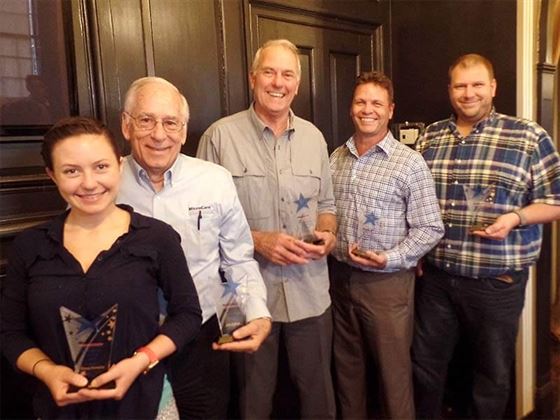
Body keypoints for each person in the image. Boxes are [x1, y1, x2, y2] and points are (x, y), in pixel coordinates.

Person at [0, 117, 202, 419]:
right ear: (52, 175)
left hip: (147, 404)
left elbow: (187, 315)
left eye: (101, 167)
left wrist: (142, 360)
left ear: (120, 166)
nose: (89, 183)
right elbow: (10, 333)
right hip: (60, 409)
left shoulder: (157, 238)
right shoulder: (30, 247)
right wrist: (47, 372)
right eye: (71, 171)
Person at [413, 53, 560, 418]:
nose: (468, 93)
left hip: (497, 283)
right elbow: (412, 201)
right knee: (424, 367)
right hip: (436, 279)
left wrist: (515, 217)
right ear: (450, 90)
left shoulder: (528, 137)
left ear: (493, 87)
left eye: (477, 84)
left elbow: (556, 202)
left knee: (491, 375)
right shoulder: (430, 137)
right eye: (460, 85)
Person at [116, 76, 272, 419]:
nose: (160, 134)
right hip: (128, 343)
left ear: (184, 131)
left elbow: (238, 259)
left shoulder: (214, 180)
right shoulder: (103, 183)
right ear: (126, 125)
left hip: (200, 338)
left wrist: (258, 312)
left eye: (171, 122)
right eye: (146, 120)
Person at [197, 38, 337, 419]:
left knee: (318, 400)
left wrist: (328, 233)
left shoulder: (315, 138)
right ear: (253, 77)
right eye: (270, 72)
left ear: (298, 83)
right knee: (251, 403)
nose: (278, 82)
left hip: (311, 292)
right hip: (244, 299)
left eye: (287, 74)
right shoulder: (219, 137)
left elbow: (327, 206)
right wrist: (257, 241)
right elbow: (200, 222)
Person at [328, 71, 444, 419]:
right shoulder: (336, 158)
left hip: (388, 286)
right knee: (347, 371)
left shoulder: (409, 163)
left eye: (377, 103)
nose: (368, 109)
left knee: (394, 377)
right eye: (361, 101)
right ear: (351, 107)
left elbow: (430, 228)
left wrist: (391, 258)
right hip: (338, 280)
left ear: (390, 110)